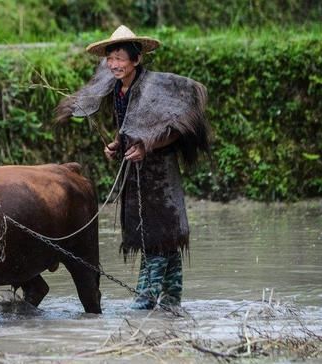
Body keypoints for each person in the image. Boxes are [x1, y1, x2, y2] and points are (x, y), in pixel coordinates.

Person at [56, 25, 211, 310]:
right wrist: (117, 143)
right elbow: (129, 124)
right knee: (161, 240)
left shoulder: (156, 87)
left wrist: (147, 146)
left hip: (160, 175)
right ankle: (172, 303)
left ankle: (144, 303)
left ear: (136, 59)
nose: (113, 64)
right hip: (134, 174)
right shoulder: (118, 89)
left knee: (160, 236)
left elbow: (179, 126)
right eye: (110, 58)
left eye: (119, 58)